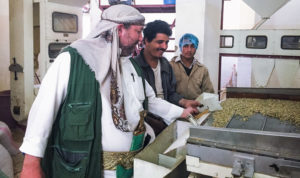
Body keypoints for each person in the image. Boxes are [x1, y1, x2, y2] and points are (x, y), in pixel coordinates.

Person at [19, 5, 196, 178]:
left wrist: (182, 112)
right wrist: (31, 164)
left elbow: (151, 100)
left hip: (130, 165)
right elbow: (43, 110)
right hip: (90, 168)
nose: (141, 38)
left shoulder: (130, 64)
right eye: (138, 31)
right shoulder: (72, 60)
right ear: (120, 29)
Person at [133, 20, 200, 135]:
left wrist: (185, 102)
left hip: (167, 116)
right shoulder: (135, 67)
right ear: (146, 41)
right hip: (145, 123)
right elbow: (144, 103)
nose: (164, 47)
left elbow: (170, 93)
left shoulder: (165, 65)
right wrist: (179, 112)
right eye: (160, 42)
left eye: (166, 42)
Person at [170, 33, 214, 100]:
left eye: (192, 46)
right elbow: (167, 91)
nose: (189, 50)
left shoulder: (202, 69)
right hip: (176, 107)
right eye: (186, 46)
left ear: (196, 48)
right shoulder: (171, 66)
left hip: (196, 108)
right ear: (181, 47)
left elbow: (209, 93)